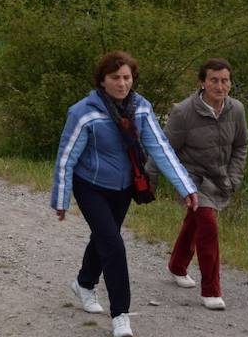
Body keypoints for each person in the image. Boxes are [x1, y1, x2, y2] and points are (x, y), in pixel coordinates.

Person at [51, 51, 198, 337]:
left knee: (105, 239)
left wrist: (186, 186)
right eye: (115, 78)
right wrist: (62, 198)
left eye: (126, 77)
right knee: (114, 245)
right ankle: (121, 316)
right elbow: (66, 158)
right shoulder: (84, 111)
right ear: (102, 81)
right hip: (89, 186)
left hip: (125, 187)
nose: (121, 83)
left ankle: (83, 283)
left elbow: (161, 149)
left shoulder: (141, 108)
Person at [147, 58, 248, 312]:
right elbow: (165, 148)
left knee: (195, 222)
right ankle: (211, 290)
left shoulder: (236, 109)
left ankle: (177, 265)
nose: (220, 85)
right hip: (191, 180)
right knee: (207, 224)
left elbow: (241, 145)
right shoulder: (184, 112)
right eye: (213, 80)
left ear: (230, 83)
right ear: (202, 82)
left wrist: (234, 177)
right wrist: (149, 180)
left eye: (225, 80)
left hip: (221, 179)